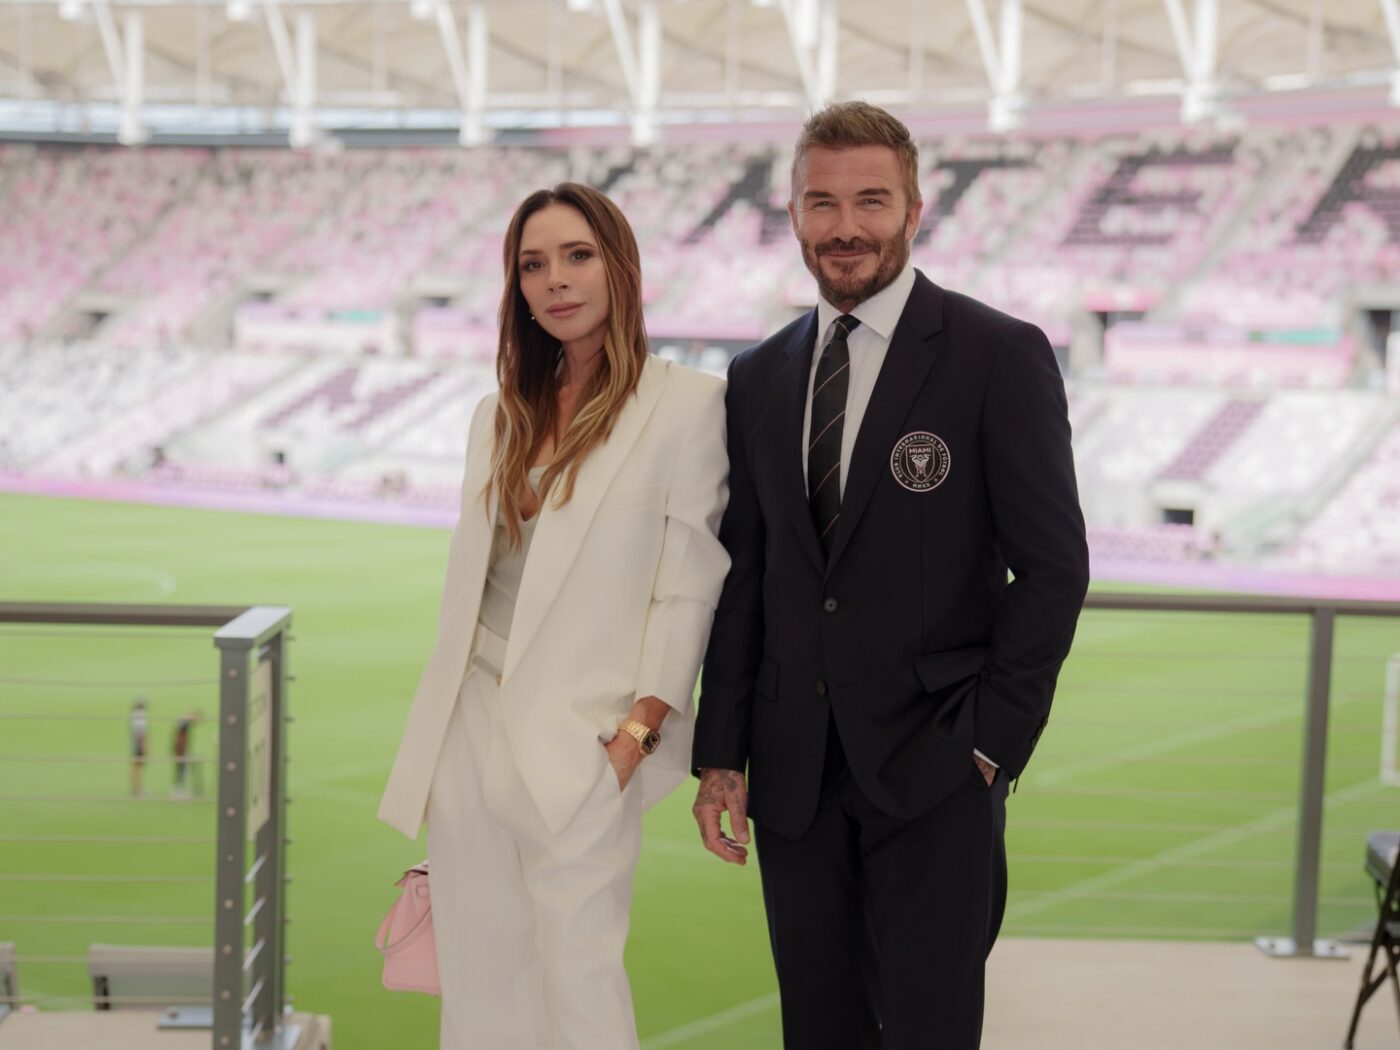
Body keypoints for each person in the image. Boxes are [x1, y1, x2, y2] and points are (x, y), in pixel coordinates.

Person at [691, 101, 1090, 1049]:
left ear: (914, 210)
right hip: (794, 781)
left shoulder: (997, 355)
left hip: (938, 770)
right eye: (822, 203)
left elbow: (1053, 568)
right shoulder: (757, 375)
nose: (846, 227)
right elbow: (747, 578)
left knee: (929, 1031)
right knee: (817, 1029)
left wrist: (989, 747)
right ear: (793, 214)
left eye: (871, 200)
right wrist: (722, 752)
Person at [379, 182, 729, 1050]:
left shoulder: (688, 404)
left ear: (619, 267)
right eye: (533, 265)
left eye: (577, 256)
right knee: (480, 975)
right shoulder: (496, 416)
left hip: (586, 739)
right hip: (469, 723)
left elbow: (687, 585)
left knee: (580, 977)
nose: (556, 280)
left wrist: (636, 735)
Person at [171, 710, 201, 798]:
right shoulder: (184, 723)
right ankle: (178, 790)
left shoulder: (185, 724)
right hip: (180, 751)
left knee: (182, 770)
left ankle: (179, 789)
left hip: (181, 750)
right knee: (181, 771)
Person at [128, 696, 148, 797]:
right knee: (137, 768)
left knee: (135, 767)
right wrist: (143, 747)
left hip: (134, 744)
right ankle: (137, 790)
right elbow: (141, 734)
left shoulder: (134, 715)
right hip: (138, 745)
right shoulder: (141, 716)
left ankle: (136, 789)